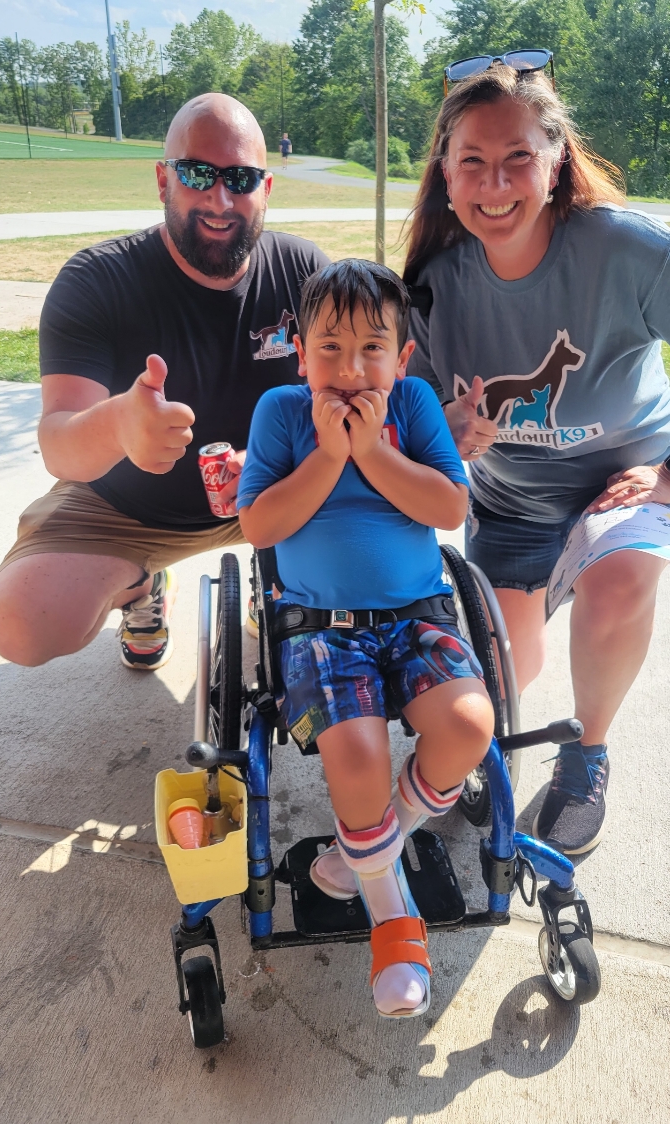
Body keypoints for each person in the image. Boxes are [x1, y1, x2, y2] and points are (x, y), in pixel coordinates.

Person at [403, 59, 670, 857]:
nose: (495, 183)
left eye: (518, 156)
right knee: (502, 673)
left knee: (620, 581)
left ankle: (585, 753)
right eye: (473, 162)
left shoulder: (626, 250)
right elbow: (408, 425)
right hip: (510, 506)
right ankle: (494, 755)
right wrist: (440, 431)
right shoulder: (430, 284)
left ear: (554, 161)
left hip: (615, 488)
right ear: (445, 175)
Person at [238, 259, 494, 1019]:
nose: (350, 371)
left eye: (371, 349)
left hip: (417, 612)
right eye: (329, 349)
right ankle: (392, 915)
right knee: (353, 754)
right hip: (321, 627)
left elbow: (449, 508)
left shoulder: (412, 404)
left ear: (402, 356)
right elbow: (259, 526)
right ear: (298, 350)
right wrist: (327, 456)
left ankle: (362, 853)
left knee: (470, 725)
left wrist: (373, 452)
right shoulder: (282, 413)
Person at [0, 94, 327, 672]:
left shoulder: (305, 271)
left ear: (266, 190)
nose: (220, 200)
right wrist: (119, 424)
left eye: (241, 178)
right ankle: (142, 588)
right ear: (162, 179)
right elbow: (58, 443)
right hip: (128, 507)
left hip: (276, 493)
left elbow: (357, 387)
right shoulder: (97, 279)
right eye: (198, 173)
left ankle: (275, 573)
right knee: (19, 625)